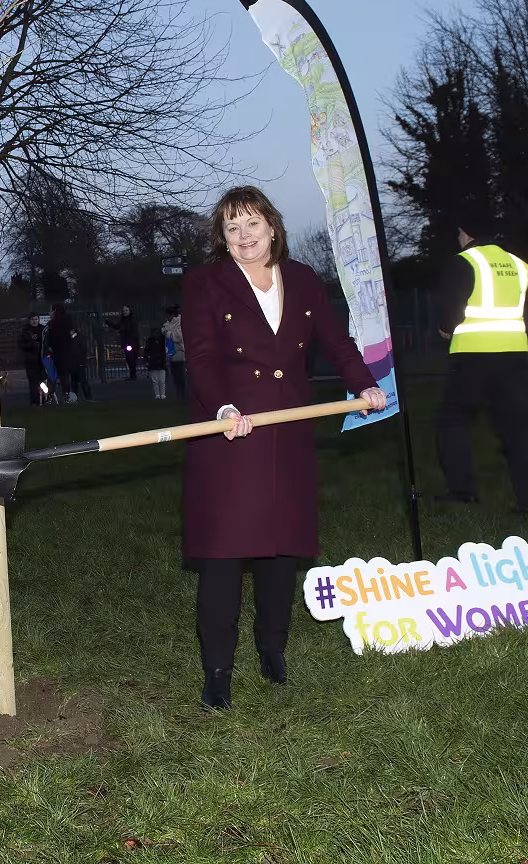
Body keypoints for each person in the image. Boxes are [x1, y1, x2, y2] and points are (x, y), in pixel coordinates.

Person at [181, 186, 386, 711]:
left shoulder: (301, 279)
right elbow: (201, 360)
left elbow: (337, 342)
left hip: (289, 431)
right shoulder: (205, 284)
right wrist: (223, 410)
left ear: (273, 226)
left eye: (252, 225)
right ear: (222, 239)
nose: (244, 237)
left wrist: (362, 384)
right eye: (232, 228)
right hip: (229, 434)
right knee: (223, 558)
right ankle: (217, 671)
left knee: (280, 553)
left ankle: (273, 648)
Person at [432, 218, 528, 514]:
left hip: (472, 356)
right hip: (514, 356)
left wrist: (445, 327)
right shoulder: (521, 266)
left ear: (466, 233)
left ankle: (462, 492)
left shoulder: (464, 261)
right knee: (519, 429)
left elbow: (452, 311)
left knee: (452, 422)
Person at [47, 303, 79, 403]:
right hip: (64, 352)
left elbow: (55, 338)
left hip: (60, 352)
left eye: (51, 310)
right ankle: (65, 395)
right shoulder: (67, 322)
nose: (49, 312)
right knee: (63, 375)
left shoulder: (55, 324)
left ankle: (55, 396)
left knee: (58, 376)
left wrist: (51, 346)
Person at [16, 313, 47, 405]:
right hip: (30, 360)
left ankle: (45, 398)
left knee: (43, 380)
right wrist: (32, 343)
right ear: (29, 320)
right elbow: (21, 345)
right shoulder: (25, 331)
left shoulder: (43, 329)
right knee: (33, 381)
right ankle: (35, 400)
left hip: (42, 359)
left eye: (36, 319)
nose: (34, 321)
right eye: (32, 319)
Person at [105, 305, 140, 380]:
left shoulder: (132, 320)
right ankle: (132, 375)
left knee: (132, 359)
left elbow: (134, 333)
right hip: (126, 344)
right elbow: (116, 326)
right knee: (129, 359)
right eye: (124, 310)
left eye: (126, 310)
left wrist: (133, 343)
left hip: (132, 343)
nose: (125, 312)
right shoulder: (122, 320)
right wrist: (108, 322)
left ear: (130, 311)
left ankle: (133, 375)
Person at [162, 305, 188, 405]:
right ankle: (179, 395)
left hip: (179, 352)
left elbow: (178, 337)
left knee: (180, 376)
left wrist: (167, 333)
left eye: (167, 315)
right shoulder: (168, 324)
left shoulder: (180, 322)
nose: (166, 318)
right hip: (171, 352)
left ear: (171, 315)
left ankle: (183, 395)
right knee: (175, 376)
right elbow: (165, 330)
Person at [144, 327, 169, 399]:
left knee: (160, 380)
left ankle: (160, 394)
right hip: (156, 361)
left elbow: (146, 351)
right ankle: (159, 394)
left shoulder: (161, 340)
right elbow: (146, 351)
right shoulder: (152, 340)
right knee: (157, 380)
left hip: (159, 361)